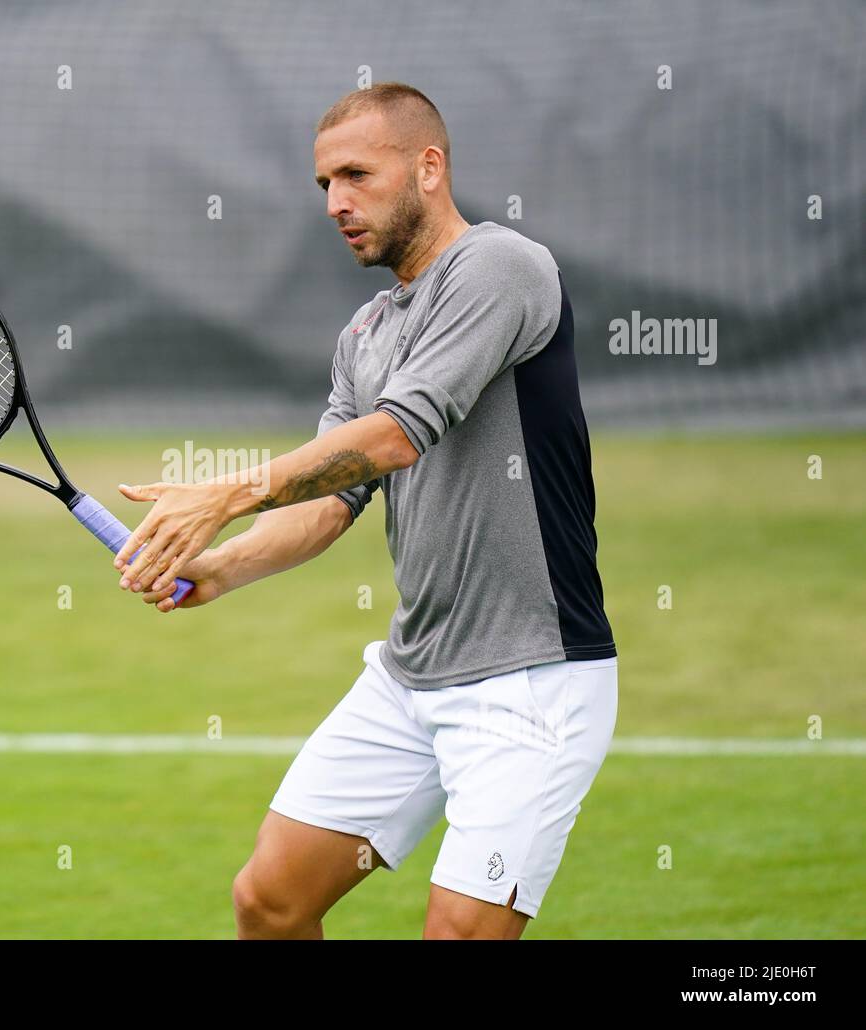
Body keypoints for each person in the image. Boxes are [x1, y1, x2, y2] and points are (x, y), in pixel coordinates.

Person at [112, 82, 617, 940]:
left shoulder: (501, 267)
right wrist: (218, 568)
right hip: (410, 677)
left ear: (428, 167)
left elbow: (397, 437)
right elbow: (336, 499)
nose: (337, 203)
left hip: (530, 680)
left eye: (355, 174)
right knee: (269, 905)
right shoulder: (366, 332)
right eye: (323, 186)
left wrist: (225, 494)